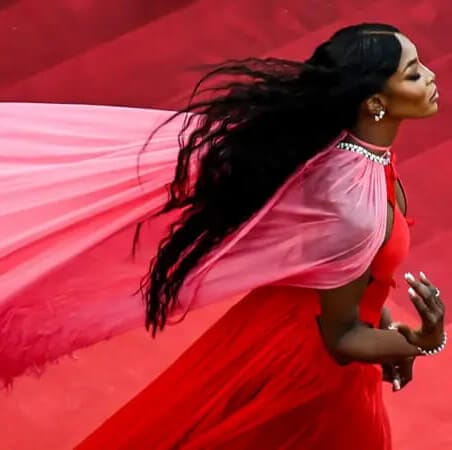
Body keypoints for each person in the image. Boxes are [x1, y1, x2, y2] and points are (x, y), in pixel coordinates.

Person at [71, 23, 446, 449]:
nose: (431, 75)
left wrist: (389, 334)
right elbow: (342, 338)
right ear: (376, 102)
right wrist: (423, 342)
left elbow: (352, 277)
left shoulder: (360, 158)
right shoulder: (355, 206)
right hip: (307, 378)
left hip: (313, 344)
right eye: (414, 73)